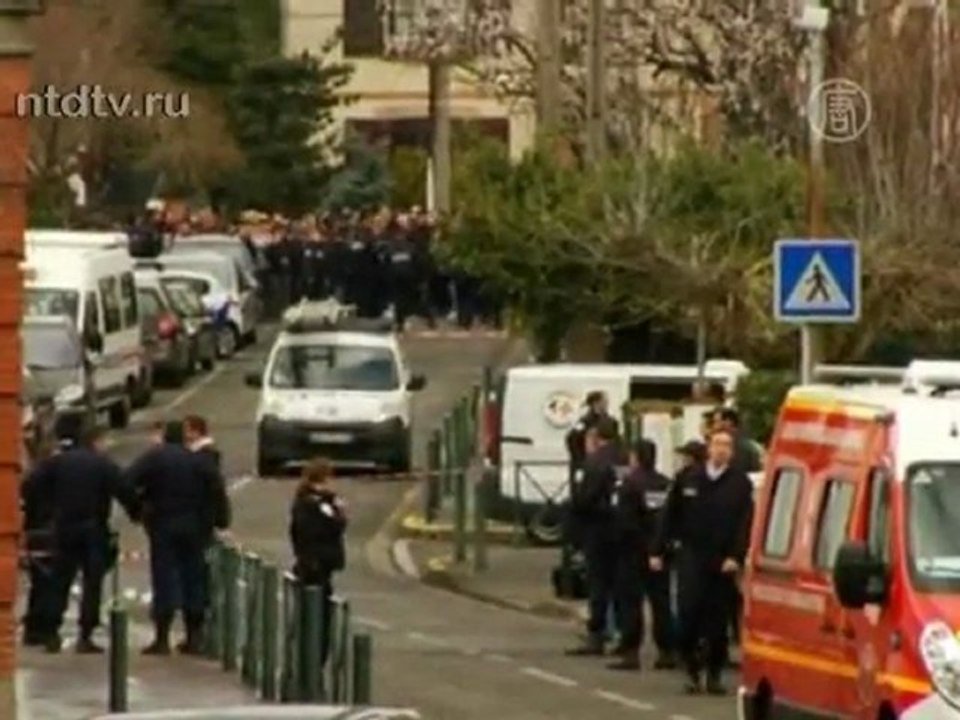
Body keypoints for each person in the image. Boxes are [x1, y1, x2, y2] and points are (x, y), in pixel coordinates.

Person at [650, 428, 754, 695]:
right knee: (688, 615)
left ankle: (714, 674)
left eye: (727, 445)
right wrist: (657, 551)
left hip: (722, 561)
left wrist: (736, 556)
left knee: (717, 622)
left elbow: (745, 524)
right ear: (709, 448)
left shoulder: (739, 483)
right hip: (691, 556)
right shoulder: (688, 478)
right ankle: (692, 671)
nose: (721, 450)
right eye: (717, 444)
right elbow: (669, 515)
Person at [32, 426, 139, 653]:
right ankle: (86, 634)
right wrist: (138, 514)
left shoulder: (58, 462)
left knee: (59, 580)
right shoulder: (103, 465)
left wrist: (44, 511)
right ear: (96, 442)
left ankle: (51, 632)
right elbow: (124, 490)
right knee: (92, 582)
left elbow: (31, 484)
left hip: (64, 527)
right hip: (93, 529)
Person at [126, 420, 229, 655]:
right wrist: (220, 520)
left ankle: (162, 636)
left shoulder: (154, 459)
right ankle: (194, 636)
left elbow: (127, 481)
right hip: (195, 527)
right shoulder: (199, 461)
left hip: (162, 525)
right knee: (194, 577)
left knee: (164, 577)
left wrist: (138, 510)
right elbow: (216, 490)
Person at [566, 417, 622, 656]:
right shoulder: (625, 458)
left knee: (598, 584)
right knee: (621, 586)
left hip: (599, 529)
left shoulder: (595, 462)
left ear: (595, 438)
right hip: (624, 530)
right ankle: (622, 635)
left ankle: (597, 635)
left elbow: (584, 499)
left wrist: (574, 525)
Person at [620, 438, 677, 670]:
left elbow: (625, 521)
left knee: (632, 602)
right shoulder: (665, 483)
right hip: (660, 551)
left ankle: (631, 652)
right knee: (661, 602)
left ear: (635, 457)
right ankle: (667, 651)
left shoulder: (630, 484)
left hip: (634, 551)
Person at [290, 458, 347, 666]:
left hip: (319, 566)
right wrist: (338, 514)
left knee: (318, 617)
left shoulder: (321, 502)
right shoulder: (311, 504)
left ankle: (312, 663)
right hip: (314, 568)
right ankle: (311, 664)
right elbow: (325, 529)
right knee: (315, 619)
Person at [715, 408, 762, 473]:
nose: (715, 426)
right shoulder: (750, 443)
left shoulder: (738, 444)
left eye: (717, 421)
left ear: (728, 422)